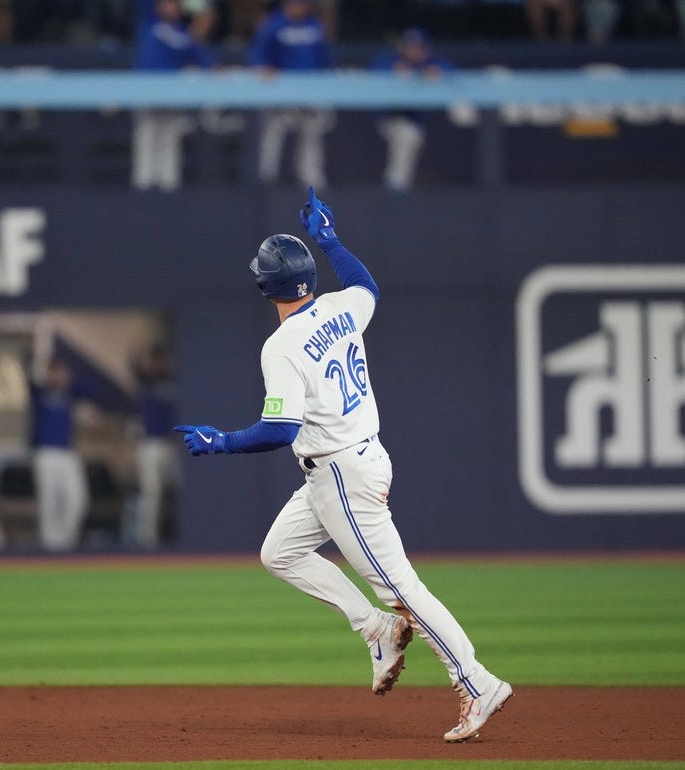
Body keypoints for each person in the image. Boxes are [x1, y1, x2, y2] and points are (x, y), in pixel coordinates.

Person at [174, 188, 512, 743]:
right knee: (278, 553)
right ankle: (377, 632)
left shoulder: (280, 347)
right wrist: (329, 238)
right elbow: (366, 286)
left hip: (340, 475)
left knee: (402, 588)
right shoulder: (338, 307)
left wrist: (223, 442)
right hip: (354, 459)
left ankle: (475, 681)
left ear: (264, 286)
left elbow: (279, 430)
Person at [248, 0, 333, 188]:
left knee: (311, 133)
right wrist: (263, 68)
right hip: (281, 91)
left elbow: (324, 58)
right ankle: (265, 179)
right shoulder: (273, 24)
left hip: (310, 91)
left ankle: (311, 180)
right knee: (273, 131)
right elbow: (259, 54)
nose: (298, 7)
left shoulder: (315, 26)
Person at [132, 0, 215, 192]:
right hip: (147, 91)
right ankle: (143, 184)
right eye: (167, 4)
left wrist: (201, 13)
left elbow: (202, 58)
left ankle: (169, 185)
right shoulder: (149, 22)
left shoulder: (184, 33)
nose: (171, 7)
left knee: (169, 136)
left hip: (171, 94)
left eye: (175, 4)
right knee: (147, 134)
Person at [371, 28, 453, 193]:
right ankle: (396, 185)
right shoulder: (391, 61)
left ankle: (401, 185)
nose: (414, 50)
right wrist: (395, 73)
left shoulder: (430, 63)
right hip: (390, 116)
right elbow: (374, 71)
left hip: (419, 119)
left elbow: (451, 73)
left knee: (411, 133)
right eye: (410, 46)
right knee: (407, 134)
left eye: (418, 47)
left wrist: (434, 74)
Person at [29, 357, 91, 550]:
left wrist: (69, 378)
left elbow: (91, 388)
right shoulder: (40, 392)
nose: (58, 375)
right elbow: (27, 373)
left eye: (61, 371)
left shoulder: (70, 392)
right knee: (49, 501)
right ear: (48, 373)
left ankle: (66, 544)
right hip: (45, 452)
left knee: (77, 499)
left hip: (67, 453)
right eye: (54, 371)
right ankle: (49, 546)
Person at [132, 344, 180, 548]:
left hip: (172, 444)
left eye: (162, 360)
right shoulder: (147, 381)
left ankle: (176, 536)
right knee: (151, 492)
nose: (159, 364)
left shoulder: (174, 381)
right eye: (155, 360)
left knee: (177, 488)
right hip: (150, 443)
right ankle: (146, 540)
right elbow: (133, 364)